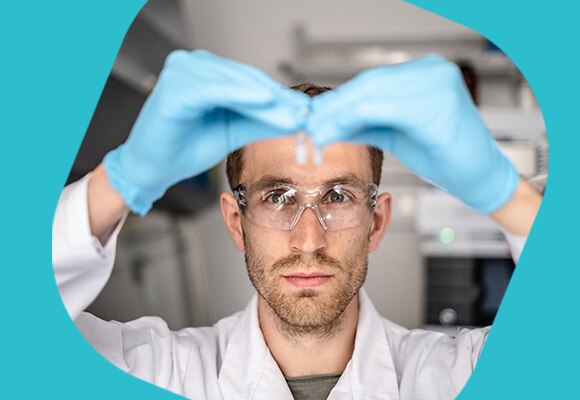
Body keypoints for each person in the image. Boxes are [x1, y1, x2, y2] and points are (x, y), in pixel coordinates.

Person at [52, 50, 542, 399]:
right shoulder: (149, 371)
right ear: (235, 222)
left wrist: (509, 196)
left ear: (377, 222)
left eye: (338, 195)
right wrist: (119, 182)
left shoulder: (462, 377)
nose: (309, 240)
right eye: (277, 197)